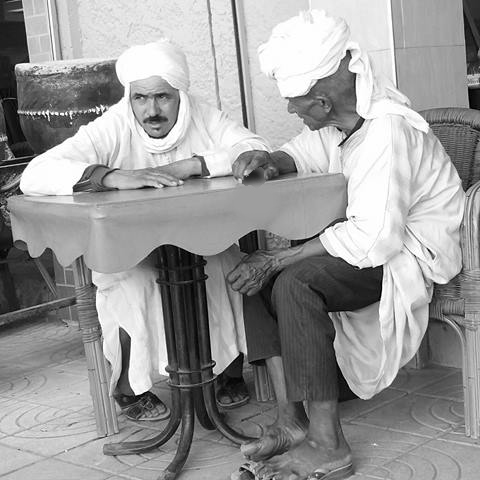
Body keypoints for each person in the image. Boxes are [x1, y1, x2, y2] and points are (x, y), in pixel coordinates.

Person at [228, 10, 465, 480]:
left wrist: (278, 258)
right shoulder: (345, 122)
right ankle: (291, 421)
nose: (293, 112)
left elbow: (375, 238)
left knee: (291, 280)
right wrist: (270, 158)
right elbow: (305, 150)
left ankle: (327, 444)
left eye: (295, 104)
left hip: (411, 253)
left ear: (320, 100)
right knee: (256, 277)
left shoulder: (386, 130)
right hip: (376, 244)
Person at [20, 39, 270, 421]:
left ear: (179, 94)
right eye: (140, 98)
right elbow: (34, 174)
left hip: (204, 243)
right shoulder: (114, 125)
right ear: (129, 97)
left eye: (162, 98)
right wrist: (110, 176)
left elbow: (255, 148)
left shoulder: (202, 115)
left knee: (227, 269)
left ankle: (227, 371)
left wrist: (190, 166)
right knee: (133, 286)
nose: (151, 110)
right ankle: (129, 388)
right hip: (131, 252)